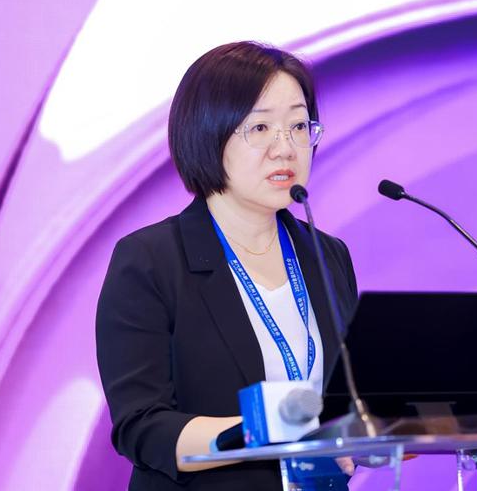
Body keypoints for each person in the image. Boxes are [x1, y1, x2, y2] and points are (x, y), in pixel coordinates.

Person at [96, 41, 358, 491]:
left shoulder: (327, 254)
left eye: (298, 126)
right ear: (208, 133)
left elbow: (345, 407)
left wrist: (371, 431)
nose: (286, 148)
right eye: (261, 127)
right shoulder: (150, 261)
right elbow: (142, 426)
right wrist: (274, 433)